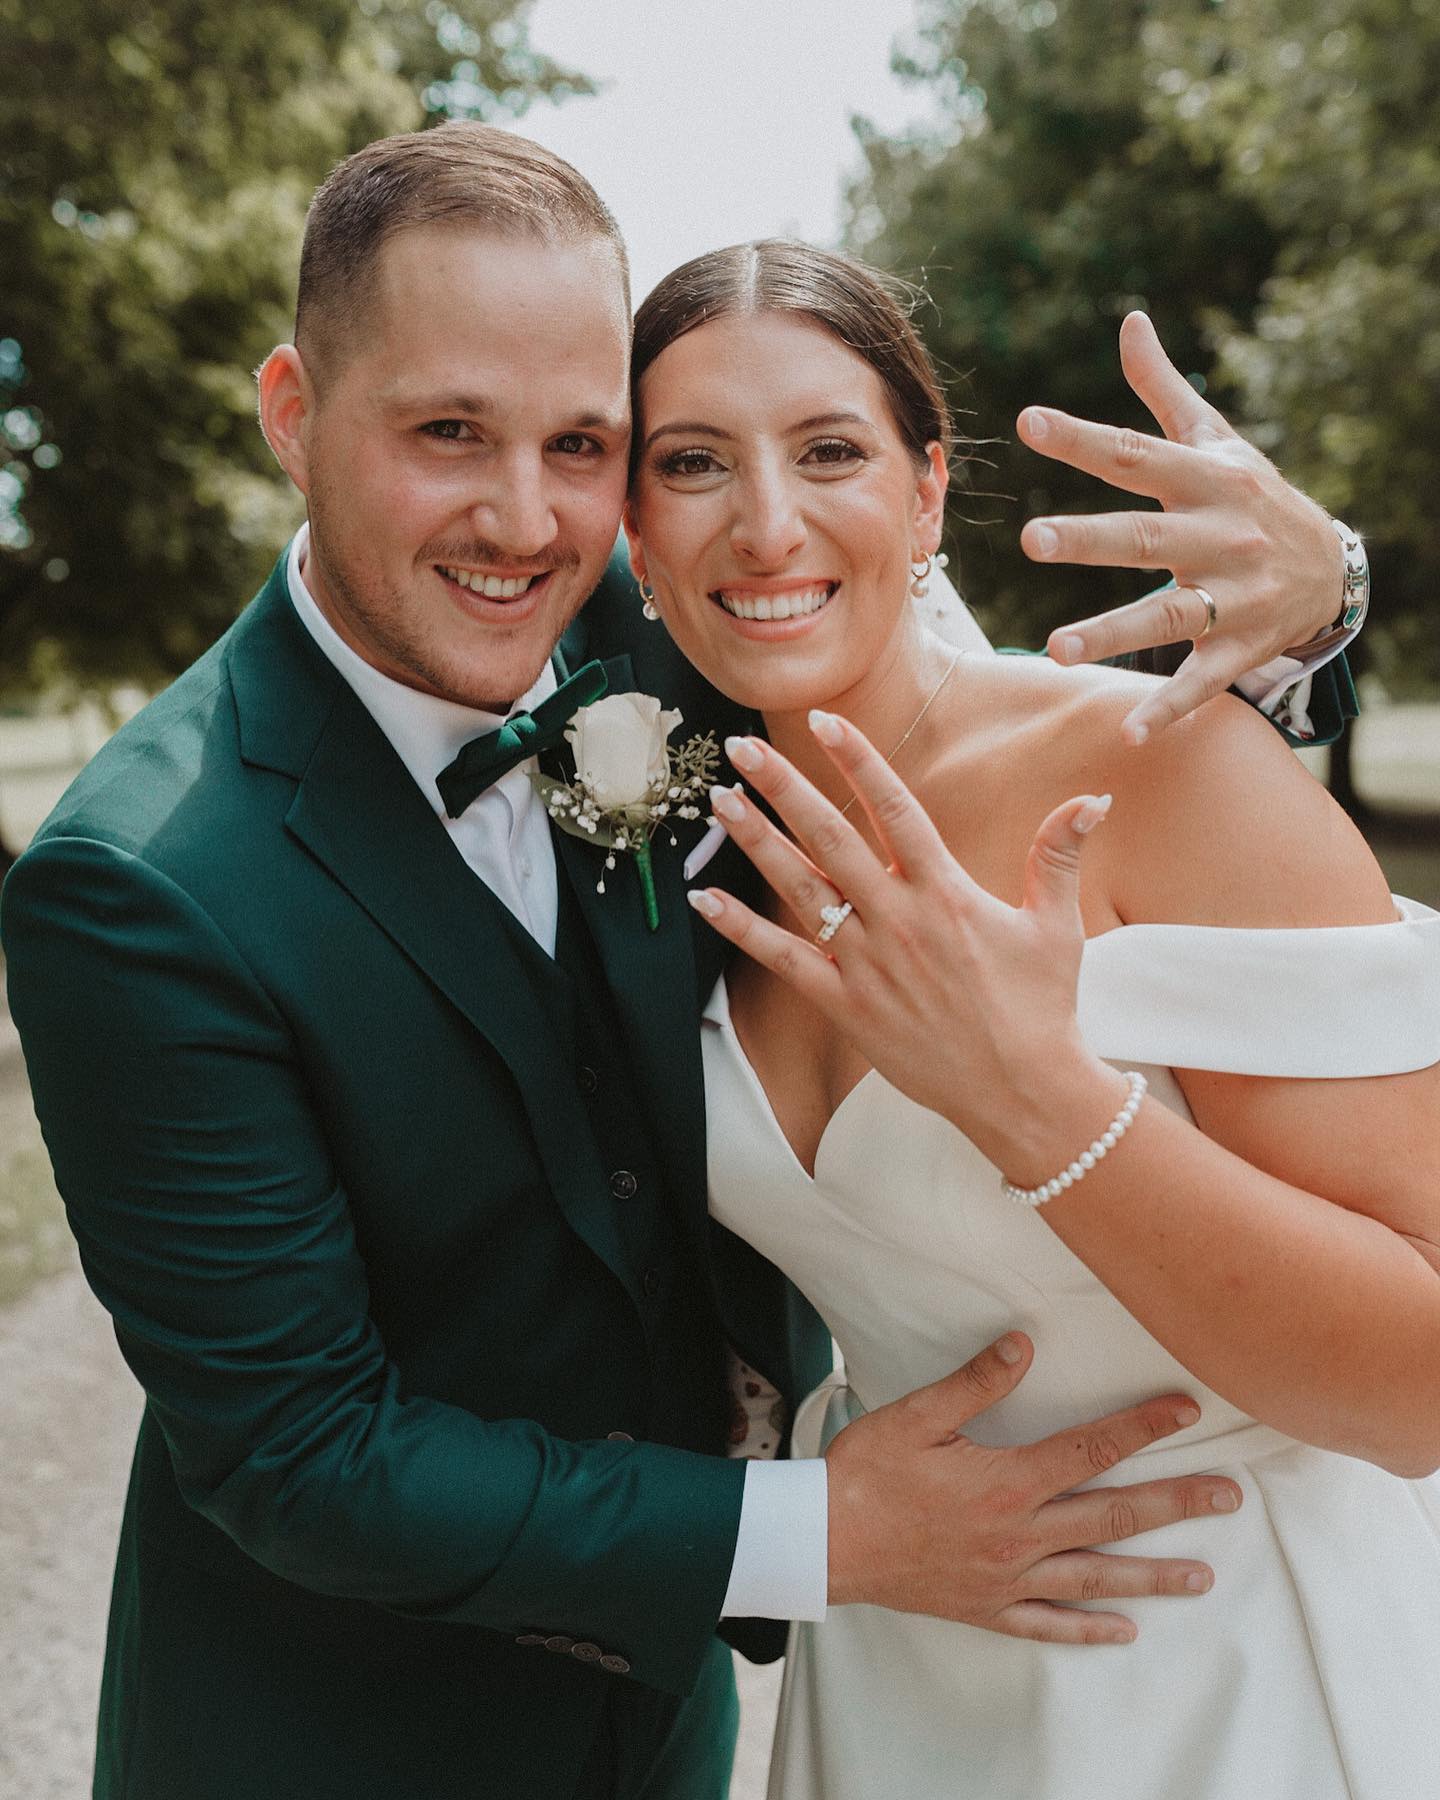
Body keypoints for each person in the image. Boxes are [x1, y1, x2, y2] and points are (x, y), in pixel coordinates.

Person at [0, 123, 1370, 1800]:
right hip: (346, 1733)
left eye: (584, 445)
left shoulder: (656, 647)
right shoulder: (138, 884)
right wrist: (821, 1530)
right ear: (294, 415)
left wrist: (1317, 611)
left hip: (699, 1730)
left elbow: (912, 652)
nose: (521, 518)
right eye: (446, 433)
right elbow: (299, 1452)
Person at [621, 237, 1440, 1799]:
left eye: (831, 451)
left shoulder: (1157, 764)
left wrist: (1036, 1103)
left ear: (929, 493)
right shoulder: (683, 823)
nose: (767, 522)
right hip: (898, 1676)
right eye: (695, 463)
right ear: (636, 534)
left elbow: (1423, 1384)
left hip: (1231, 1666)